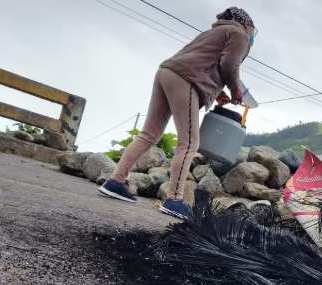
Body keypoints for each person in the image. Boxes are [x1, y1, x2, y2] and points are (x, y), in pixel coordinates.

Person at [98, 7, 257, 220]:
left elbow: (205, 61)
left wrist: (218, 92)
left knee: (149, 134)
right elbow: (228, 64)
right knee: (189, 143)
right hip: (186, 80)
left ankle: (115, 181)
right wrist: (235, 89)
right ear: (246, 25)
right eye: (253, 31)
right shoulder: (239, 34)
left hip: (167, 73)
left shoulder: (214, 32)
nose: (253, 35)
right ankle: (174, 199)